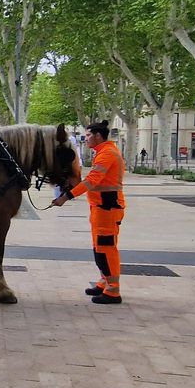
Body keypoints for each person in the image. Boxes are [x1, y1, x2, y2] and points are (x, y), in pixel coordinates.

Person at [51, 120, 127, 304]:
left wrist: (66, 196)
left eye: (88, 135)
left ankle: (113, 291)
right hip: (101, 207)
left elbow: (91, 181)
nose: (85, 139)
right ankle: (104, 282)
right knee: (99, 247)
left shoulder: (107, 154)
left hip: (107, 208)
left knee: (106, 249)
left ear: (98, 136)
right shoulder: (103, 152)